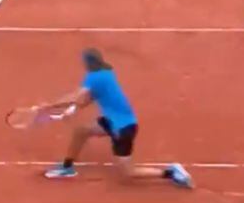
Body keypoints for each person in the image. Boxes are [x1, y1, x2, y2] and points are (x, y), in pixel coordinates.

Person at [38, 48, 193, 189]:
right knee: (81, 131)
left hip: (122, 129)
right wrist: (72, 110)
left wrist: (49, 105)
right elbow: (90, 97)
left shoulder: (94, 78)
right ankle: (67, 167)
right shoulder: (106, 72)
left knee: (129, 173)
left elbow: (76, 97)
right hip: (112, 121)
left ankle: (170, 173)